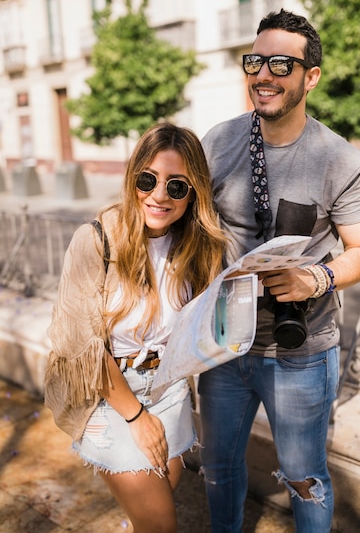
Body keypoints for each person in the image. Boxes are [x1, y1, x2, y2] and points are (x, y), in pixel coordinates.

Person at [198, 8, 360, 533]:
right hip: (221, 344)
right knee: (218, 469)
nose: (264, 75)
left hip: (300, 349)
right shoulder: (217, 143)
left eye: (282, 64)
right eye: (255, 62)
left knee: (304, 476)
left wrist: (316, 277)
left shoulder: (340, 160)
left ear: (311, 77)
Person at [45, 122, 227, 533]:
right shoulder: (95, 240)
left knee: (150, 515)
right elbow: (83, 345)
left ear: (194, 191)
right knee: (161, 524)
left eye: (177, 186)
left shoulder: (197, 248)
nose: (160, 195)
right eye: (148, 180)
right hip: (110, 395)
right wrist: (136, 417)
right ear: (133, 180)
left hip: (169, 389)